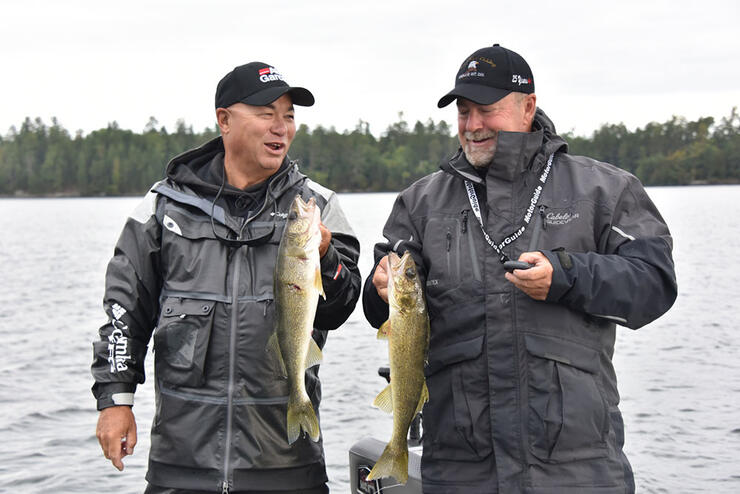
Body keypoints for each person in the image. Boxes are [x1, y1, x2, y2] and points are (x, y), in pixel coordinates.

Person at [363, 44, 677, 494]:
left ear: (528, 107)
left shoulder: (603, 189)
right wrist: (379, 288)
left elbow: (655, 285)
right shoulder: (420, 203)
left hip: (578, 470)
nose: (472, 126)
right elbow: (379, 311)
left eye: (486, 110)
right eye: (464, 112)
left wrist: (567, 275)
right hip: (459, 472)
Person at [92, 62, 361, 494]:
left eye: (289, 115)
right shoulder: (164, 208)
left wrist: (327, 257)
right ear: (224, 120)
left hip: (287, 462)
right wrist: (115, 400)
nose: (281, 127)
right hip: (181, 463)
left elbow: (339, 308)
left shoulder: (317, 206)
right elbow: (125, 309)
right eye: (266, 112)